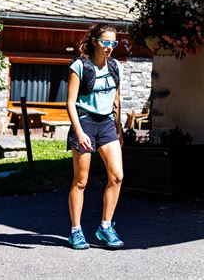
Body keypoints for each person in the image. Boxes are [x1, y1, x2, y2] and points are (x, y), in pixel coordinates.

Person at [66, 23, 125, 250]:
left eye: (113, 43)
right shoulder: (80, 66)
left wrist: (118, 128)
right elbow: (70, 102)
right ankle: (76, 231)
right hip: (85, 122)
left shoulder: (115, 66)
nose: (109, 47)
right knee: (81, 181)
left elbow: (116, 99)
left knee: (117, 176)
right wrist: (79, 131)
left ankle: (105, 227)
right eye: (105, 42)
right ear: (94, 41)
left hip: (107, 124)